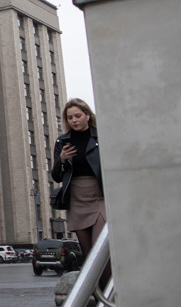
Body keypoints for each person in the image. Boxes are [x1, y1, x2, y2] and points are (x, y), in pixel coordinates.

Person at [51, 98, 106, 270]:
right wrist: (62, 160)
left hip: (100, 197)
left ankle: (110, 286)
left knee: (99, 249)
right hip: (76, 200)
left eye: (78, 116)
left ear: (87, 115)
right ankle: (96, 287)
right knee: (89, 255)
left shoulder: (101, 136)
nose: (74, 120)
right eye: (70, 118)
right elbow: (56, 176)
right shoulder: (62, 142)